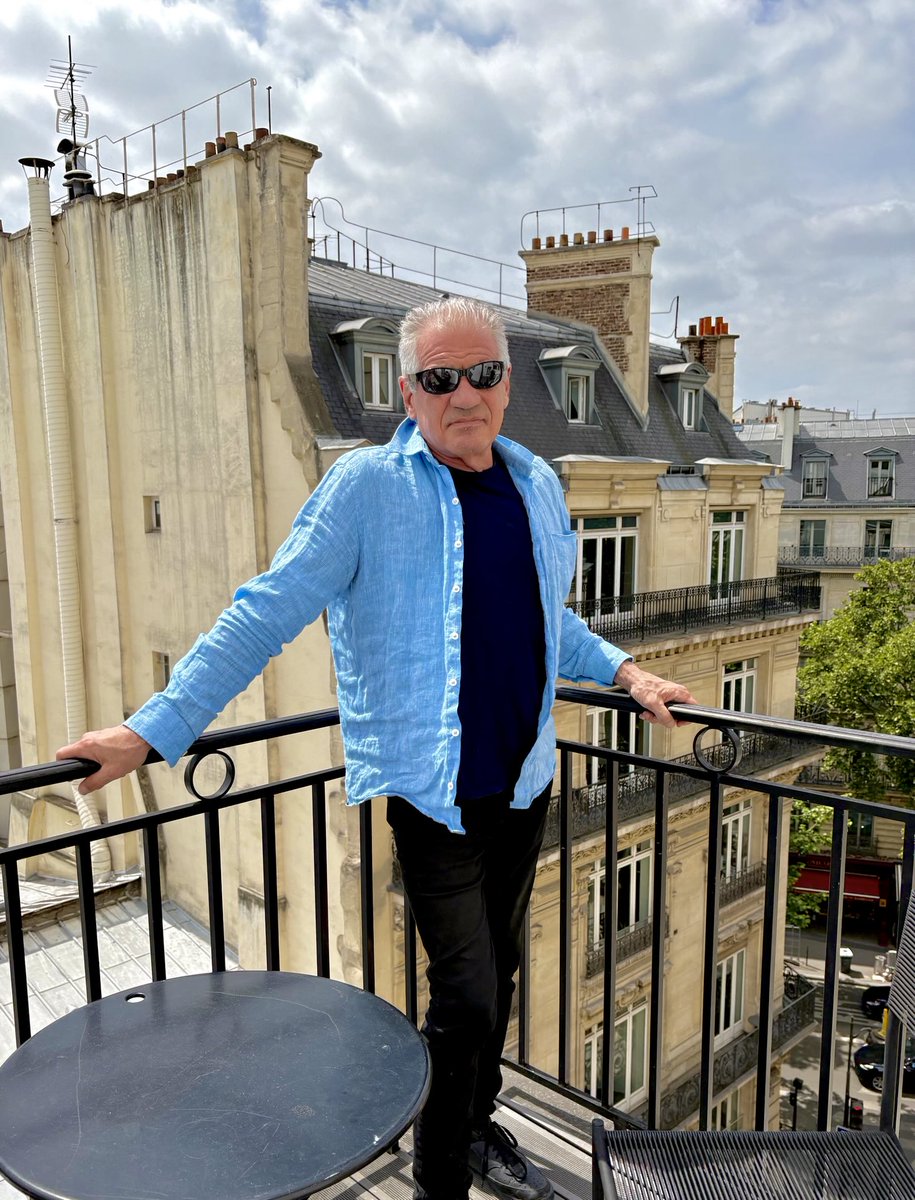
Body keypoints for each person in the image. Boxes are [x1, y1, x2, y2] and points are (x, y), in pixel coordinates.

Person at [59, 297, 696, 1200]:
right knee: (465, 996)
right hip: (434, 792)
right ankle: (441, 1177)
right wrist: (151, 730)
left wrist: (631, 674)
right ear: (408, 393)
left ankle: (474, 1128)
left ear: (506, 383)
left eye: (481, 373)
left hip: (525, 780)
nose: (463, 394)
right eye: (440, 378)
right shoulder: (366, 488)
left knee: (502, 970)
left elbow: (548, 623)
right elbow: (266, 609)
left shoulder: (536, 484)